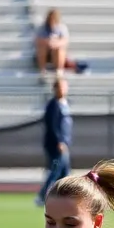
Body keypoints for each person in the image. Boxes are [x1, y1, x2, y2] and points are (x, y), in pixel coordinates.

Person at [36, 78, 72, 207]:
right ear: (55, 89)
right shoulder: (53, 105)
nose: (63, 90)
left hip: (64, 144)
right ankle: (41, 196)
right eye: (60, 87)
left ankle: (64, 198)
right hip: (56, 145)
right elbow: (53, 125)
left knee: (65, 173)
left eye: (64, 87)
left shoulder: (65, 103)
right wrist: (60, 141)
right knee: (55, 171)